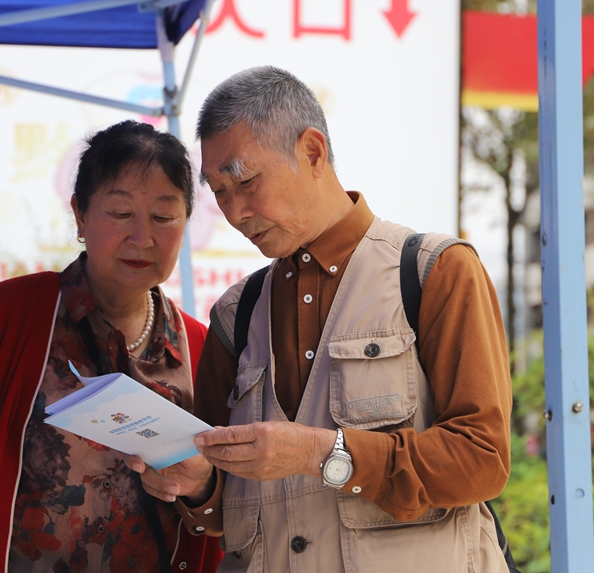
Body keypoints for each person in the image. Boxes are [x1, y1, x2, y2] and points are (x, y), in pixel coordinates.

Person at [127, 67, 513, 572]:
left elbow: (483, 461)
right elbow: (224, 509)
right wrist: (196, 481)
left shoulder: (435, 271)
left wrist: (322, 453)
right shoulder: (233, 315)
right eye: (219, 192)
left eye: (245, 181)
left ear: (312, 151)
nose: (235, 212)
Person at [0, 120, 223, 573]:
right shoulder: (6, 316)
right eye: (121, 213)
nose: (142, 237)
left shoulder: (200, 348)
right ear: (80, 215)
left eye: (164, 216)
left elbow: (228, 508)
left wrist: (203, 486)